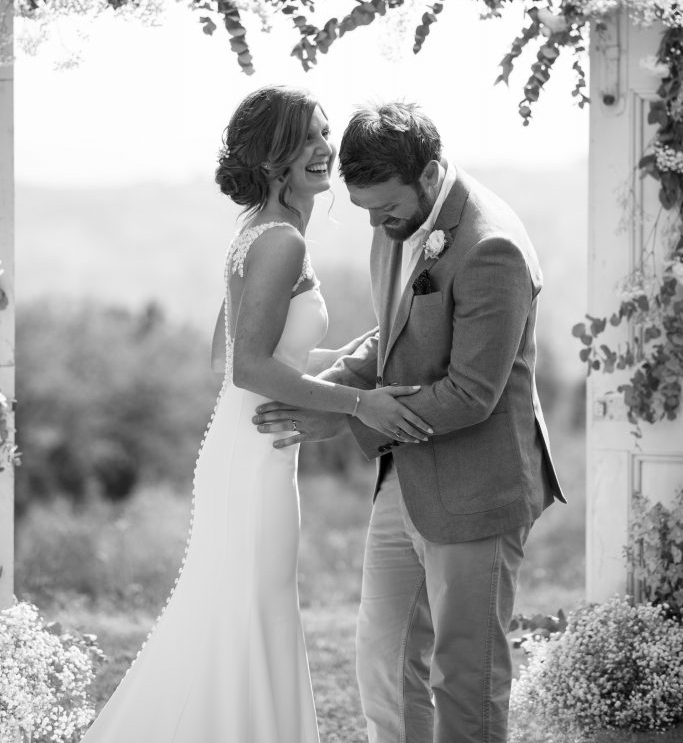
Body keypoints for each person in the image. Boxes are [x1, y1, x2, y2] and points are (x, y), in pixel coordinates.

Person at [79, 86, 430, 743]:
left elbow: (231, 354)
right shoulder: (282, 245)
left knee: (237, 609)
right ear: (272, 158)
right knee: (254, 610)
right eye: (306, 139)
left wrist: (344, 354)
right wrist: (360, 400)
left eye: (324, 133)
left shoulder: (254, 233)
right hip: (253, 461)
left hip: (240, 450)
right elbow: (247, 368)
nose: (324, 149)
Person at [254, 100, 566, 743]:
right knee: (384, 658)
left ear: (428, 174)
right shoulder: (398, 219)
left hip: (478, 486)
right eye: (365, 209)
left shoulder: (491, 248)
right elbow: (395, 333)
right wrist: (332, 392)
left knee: (465, 673)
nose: (376, 222)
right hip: (407, 476)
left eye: (383, 207)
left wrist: (350, 420)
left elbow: (471, 394)